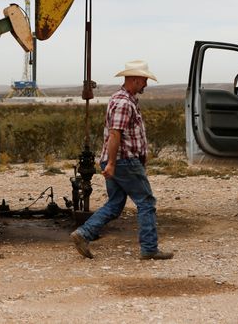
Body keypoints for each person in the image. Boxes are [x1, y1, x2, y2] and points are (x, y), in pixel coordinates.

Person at [70, 60, 174, 260]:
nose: (146, 84)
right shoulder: (125, 103)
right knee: (146, 202)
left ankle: (84, 233)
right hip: (124, 161)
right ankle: (149, 248)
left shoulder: (122, 99)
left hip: (119, 160)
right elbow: (115, 134)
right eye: (144, 80)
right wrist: (111, 163)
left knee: (116, 203)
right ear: (135, 80)